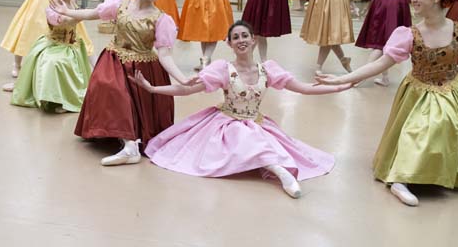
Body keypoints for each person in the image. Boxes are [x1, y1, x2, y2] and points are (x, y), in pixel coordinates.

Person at [316, 0, 458, 206]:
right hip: (418, 91)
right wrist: (343, 79)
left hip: (451, 90)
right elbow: (380, 64)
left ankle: (437, 172)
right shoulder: (409, 34)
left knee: (444, 128)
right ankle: (401, 178)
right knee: (419, 131)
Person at [131, 20, 350, 198]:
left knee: (255, 137)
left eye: (245, 36)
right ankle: (281, 172)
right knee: (242, 134)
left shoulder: (268, 69)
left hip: (256, 121)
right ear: (229, 44)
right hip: (227, 123)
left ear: (253, 40)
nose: (241, 40)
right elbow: (188, 90)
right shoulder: (223, 69)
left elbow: (303, 88)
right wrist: (152, 88)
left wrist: (342, 85)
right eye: (235, 37)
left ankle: (279, 169)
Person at [49, 0, 190, 166]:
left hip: (143, 66)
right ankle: (128, 143)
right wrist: (68, 12)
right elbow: (92, 14)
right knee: (108, 87)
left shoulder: (161, 19)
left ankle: (130, 145)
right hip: (114, 60)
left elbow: (165, 55)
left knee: (124, 96)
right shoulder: (119, 4)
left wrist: (182, 79)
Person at [0, 0, 102, 77]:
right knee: (25, 30)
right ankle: (17, 64)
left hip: (51, 0)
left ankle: (94, 66)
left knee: (78, 34)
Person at [6, 0, 92, 113]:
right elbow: (60, 21)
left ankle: (66, 98)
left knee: (63, 63)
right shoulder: (51, 5)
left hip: (71, 46)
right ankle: (47, 95)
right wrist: (78, 15)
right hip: (54, 44)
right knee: (52, 62)